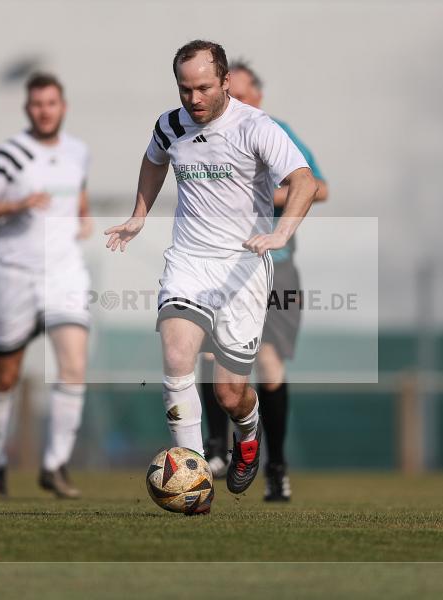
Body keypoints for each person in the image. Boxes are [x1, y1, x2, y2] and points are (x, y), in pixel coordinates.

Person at [104, 40, 317, 506]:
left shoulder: (256, 127)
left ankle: (248, 429)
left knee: (228, 393)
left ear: (224, 82)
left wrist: (281, 234)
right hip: (188, 260)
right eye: (185, 89)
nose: (194, 99)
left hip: (242, 267)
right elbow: (154, 159)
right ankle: (194, 478)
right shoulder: (170, 124)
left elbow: (304, 180)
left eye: (204, 88)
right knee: (177, 357)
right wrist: (140, 214)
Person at [199, 61, 329, 501]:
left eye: (244, 89)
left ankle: (276, 465)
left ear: (257, 95)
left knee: (270, 361)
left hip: (276, 265)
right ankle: (216, 450)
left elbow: (318, 186)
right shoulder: (208, 133)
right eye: (229, 89)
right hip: (218, 262)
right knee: (206, 350)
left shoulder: (276, 130)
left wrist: (262, 192)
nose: (236, 96)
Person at [0, 72, 93, 499]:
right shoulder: (8, 155)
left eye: (51, 103)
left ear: (63, 106)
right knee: (6, 375)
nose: (44, 110)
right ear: (27, 109)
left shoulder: (78, 152)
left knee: (73, 366)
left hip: (64, 272)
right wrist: (16, 204)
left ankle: (55, 465)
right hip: (13, 273)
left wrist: (84, 217)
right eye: (37, 104)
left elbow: (79, 193)